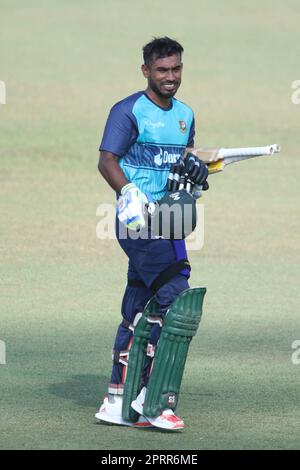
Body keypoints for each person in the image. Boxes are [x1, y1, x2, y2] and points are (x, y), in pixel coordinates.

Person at [95, 37, 209, 430]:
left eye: (176, 69)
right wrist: (127, 191)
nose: (170, 77)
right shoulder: (128, 111)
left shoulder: (186, 114)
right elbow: (106, 160)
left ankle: (118, 399)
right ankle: (155, 401)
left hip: (172, 221)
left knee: (141, 306)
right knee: (178, 301)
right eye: (162, 70)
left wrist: (197, 176)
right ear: (146, 71)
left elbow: (186, 164)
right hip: (139, 221)